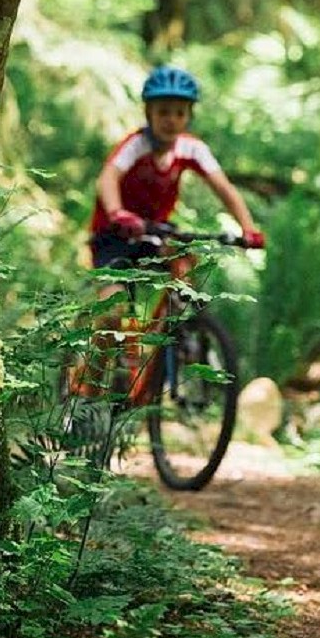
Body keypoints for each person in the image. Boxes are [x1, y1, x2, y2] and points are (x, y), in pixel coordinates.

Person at [71, 65, 265, 399]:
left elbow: (225, 188)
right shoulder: (136, 144)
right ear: (149, 112)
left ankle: (173, 347)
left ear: (188, 115)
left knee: (184, 267)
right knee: (113, 313)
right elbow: (107, 178)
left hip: (156, 232)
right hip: (114, 234)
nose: (170, 119)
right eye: (163, 111)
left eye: (179, 112)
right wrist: (117, 212)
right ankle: (86, 392)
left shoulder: (191, 148)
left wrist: (248, 228)